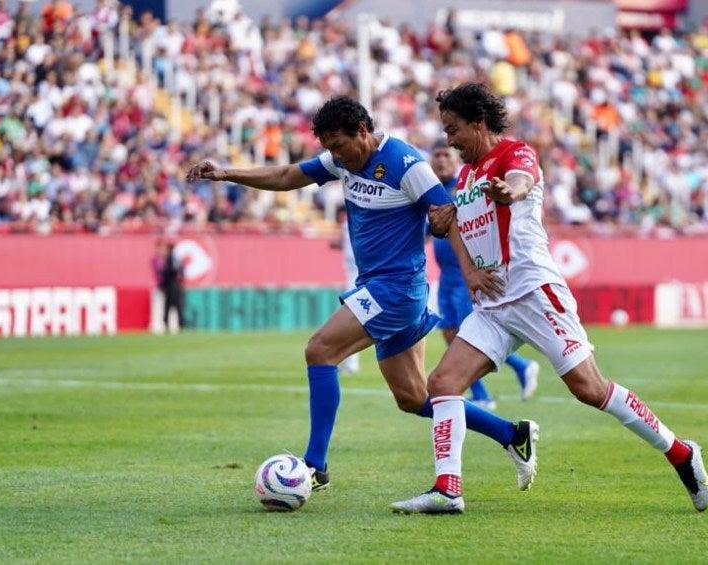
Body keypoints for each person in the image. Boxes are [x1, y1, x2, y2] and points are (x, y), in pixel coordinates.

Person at [185, 96, 537, 492]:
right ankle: (512, 434)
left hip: (397, 289)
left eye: (339, 145)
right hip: (382, 287)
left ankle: (315, 465)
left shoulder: (406, 164)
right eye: (329, 148)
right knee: (413, 398)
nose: (335, 156)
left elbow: (447, 215)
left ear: (363, 131)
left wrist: (469, 270)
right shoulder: (342, 160)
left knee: (320, 350)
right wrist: (226, 173)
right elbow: (286, 176)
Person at [391, 83, 708, 514]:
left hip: (534, 293)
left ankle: (681, 452)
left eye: (454, 130)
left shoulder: (515, 153)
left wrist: (510, 192)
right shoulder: (465, 177)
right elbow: (456, 229)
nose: (449, 140)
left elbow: (521, 183)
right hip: (493, 304)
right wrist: (461, 256)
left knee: (589, 389)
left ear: (478, 123)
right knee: (443, 383)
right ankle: (448, 490)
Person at [429, 143, 540, 409]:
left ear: (456, 159)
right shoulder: (433, 192)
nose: (441, 160)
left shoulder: (464, 187)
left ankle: (516, 370)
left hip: (466, 273)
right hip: (446, 276)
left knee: (466, 334)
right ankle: (485, 391)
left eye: (446, 154)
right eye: (437, 155)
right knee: (449, 331)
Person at [333, 206, 360, 375]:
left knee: (349, 321)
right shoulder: (357, 221)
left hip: (357, 275)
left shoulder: (349, 222)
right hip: (355, 273)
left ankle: (351, 364)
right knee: (350, 321)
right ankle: (349, 362)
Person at [152, 238, 185, 332]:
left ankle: (178, 324)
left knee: (175, 305)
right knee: (169, 305)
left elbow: (176, 271)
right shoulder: (160, 259)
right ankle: (168, 324)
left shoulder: (171, 259)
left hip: (172, 284)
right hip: (167, 285)